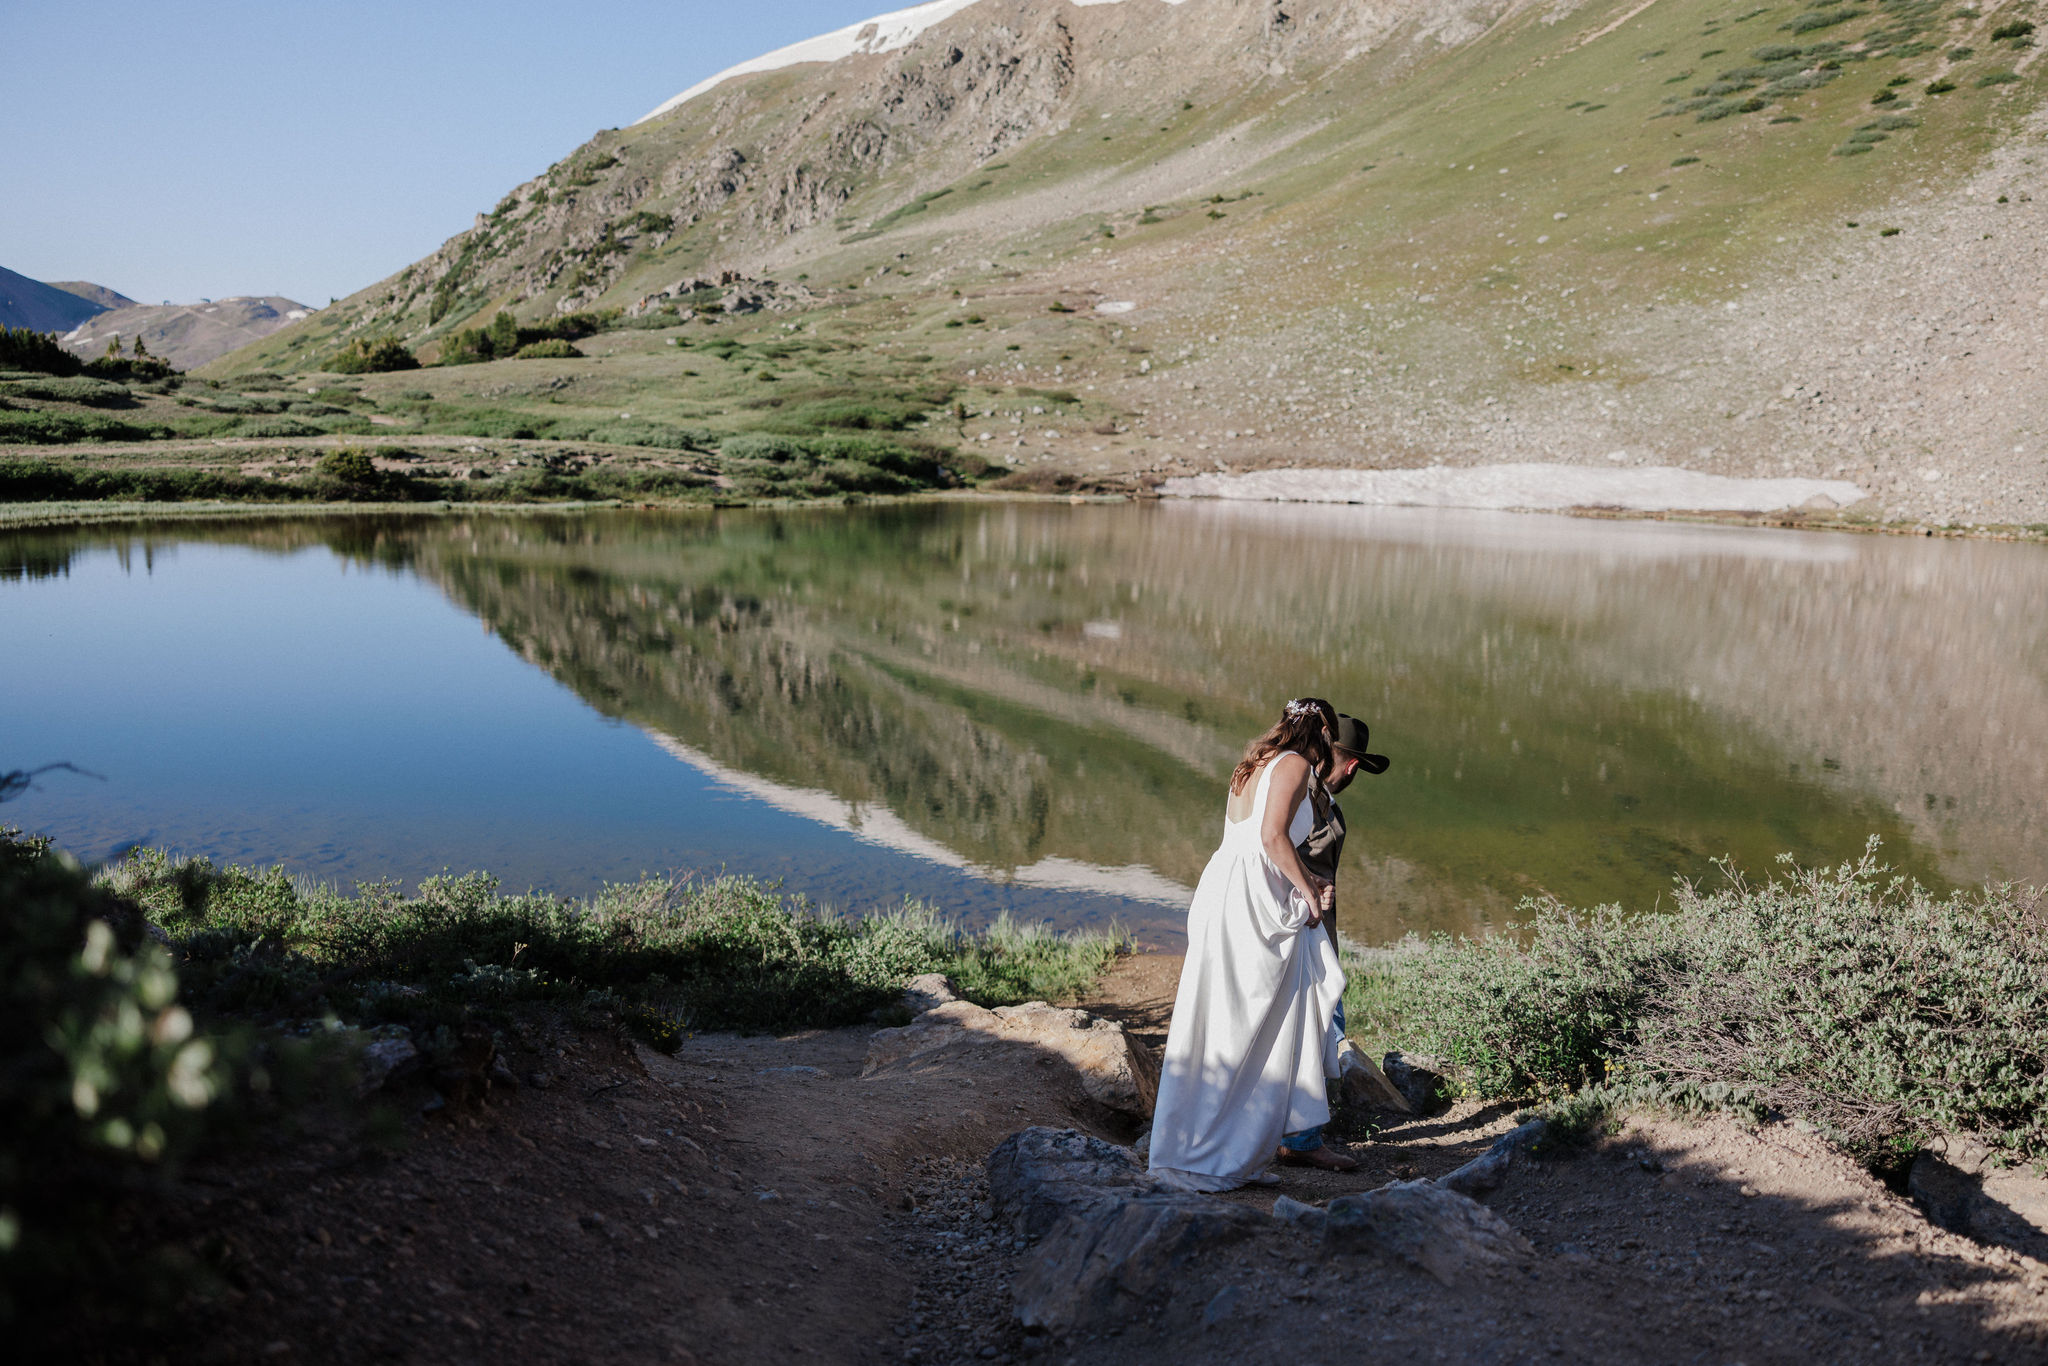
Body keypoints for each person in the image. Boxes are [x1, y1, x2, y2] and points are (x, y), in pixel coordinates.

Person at [1147, 699, 1349, 1192]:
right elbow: (1273, 837)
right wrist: (1309, 892)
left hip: (1222, 887)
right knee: (1250, 1022)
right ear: (1320, 733)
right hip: (1250, 899)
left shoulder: (1253, 763)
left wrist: (1301, 883)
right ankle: (1227, 1149)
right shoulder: (1296, 765)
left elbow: (1249, 841)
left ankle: (1194, 1144)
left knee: (1217, 1023)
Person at [1275, 706, 1391, 1169]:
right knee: (1315, 1025)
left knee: (1318, 1026)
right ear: (1354, 765)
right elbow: (1274, 850)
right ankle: (1303, 1137)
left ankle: (1301, 1129)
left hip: (1313, 932)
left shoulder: (1299, 788)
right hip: (1299, 933)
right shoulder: (1298, 792)